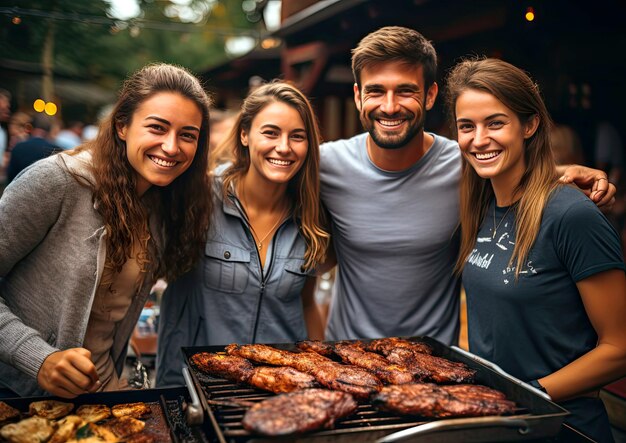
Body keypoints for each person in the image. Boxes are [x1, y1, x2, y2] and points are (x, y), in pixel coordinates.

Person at [315, 26, 615, 343]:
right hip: (346, 360)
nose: (390, 106)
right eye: (375, 91)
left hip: (433, 368)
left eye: (405, 91)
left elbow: (508, 164)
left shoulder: (464, 164)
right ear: (358, 96)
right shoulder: (326, 164)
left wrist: (565, 173)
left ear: (430, 95)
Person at [0, 63, 213, 398]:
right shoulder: (58, 182)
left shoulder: (166, 203)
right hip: (20, 396)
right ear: (122, 126)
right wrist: (38, 358)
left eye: (188, 135)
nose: (172, 147)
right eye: (157, 128)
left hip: (104, 396)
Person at [446, 57, 626, 442]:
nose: (479, 139)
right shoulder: (482, 206)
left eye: (495, 123)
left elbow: (620, 347)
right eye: (467, 126)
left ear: (529, 125)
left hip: (563, 429)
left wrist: (528, 395)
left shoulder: (571, 215)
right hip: (499, 425)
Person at [156, 81, 329, 386]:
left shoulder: (311, 216)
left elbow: (306, 304)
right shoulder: (197, 199)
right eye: (271, 132)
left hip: (279, 388)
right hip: (196, 385)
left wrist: (323, 370)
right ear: (245, 134)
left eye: (297, 137)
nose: (284, 147)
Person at [6, 113, 62, 183]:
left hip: (21, 191)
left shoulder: (18, 147)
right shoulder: (56, 151)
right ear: (49, 130)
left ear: (30, 128)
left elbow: (10, 176)